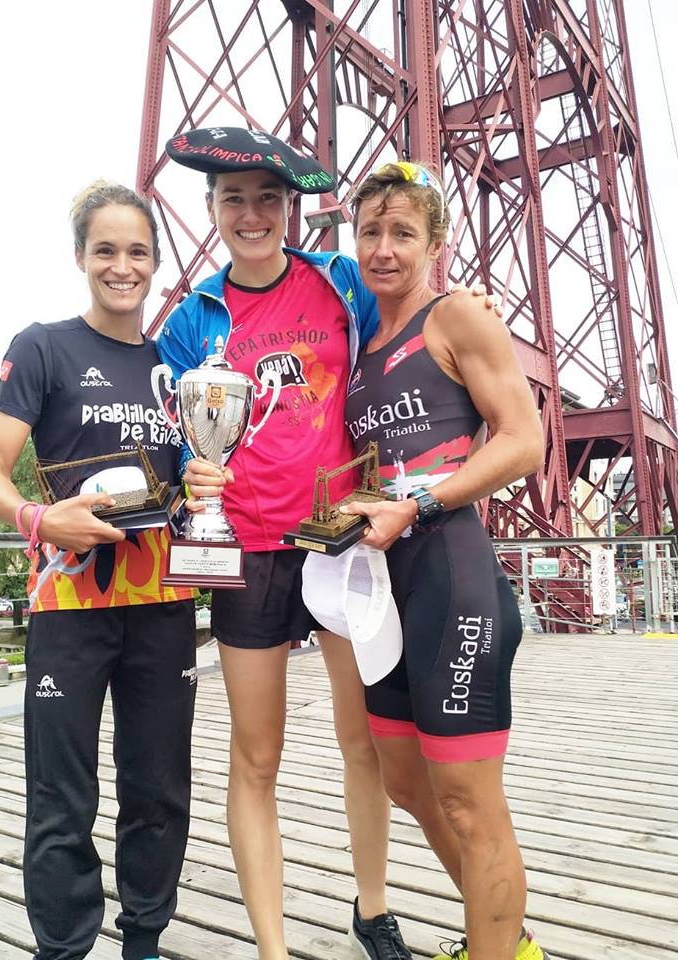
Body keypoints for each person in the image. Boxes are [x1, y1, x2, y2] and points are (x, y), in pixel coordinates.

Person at [160, 128, 496, 960]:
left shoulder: (339, 280)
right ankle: (273, 950)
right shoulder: (186, 324)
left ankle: (372, 908)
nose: (252, 215)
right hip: (244, 555)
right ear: (210, 211)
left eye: (268, 200)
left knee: (367, 745)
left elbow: (408, 300)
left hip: (342, 541)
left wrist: (469, 312)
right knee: (256, 755)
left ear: (292, 209)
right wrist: (186, 486)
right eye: (233, 200)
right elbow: (176, 450)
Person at [0, 180, 197, 960]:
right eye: (106, 250)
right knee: (61, 795)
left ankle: (143, 941)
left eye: (137, 252)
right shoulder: (42, 345)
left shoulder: (178, 366)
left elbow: (196, 470)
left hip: (163, 602)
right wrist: (42, 519)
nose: (121, 266)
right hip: (67, 604)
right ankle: (63, 949)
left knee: (157, 789)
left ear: (155, 264)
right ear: (80, 257)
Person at [336, 161, 548, 960]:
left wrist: (418, 505)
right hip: (382, 590)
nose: (383, 249)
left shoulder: (457, 316)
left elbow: (525, 442)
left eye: (402, 233)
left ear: (435, 243)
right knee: (405, 785)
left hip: (451, 576)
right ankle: (506, 942)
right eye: (370, 232)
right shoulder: (364, 341)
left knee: (466, 800)